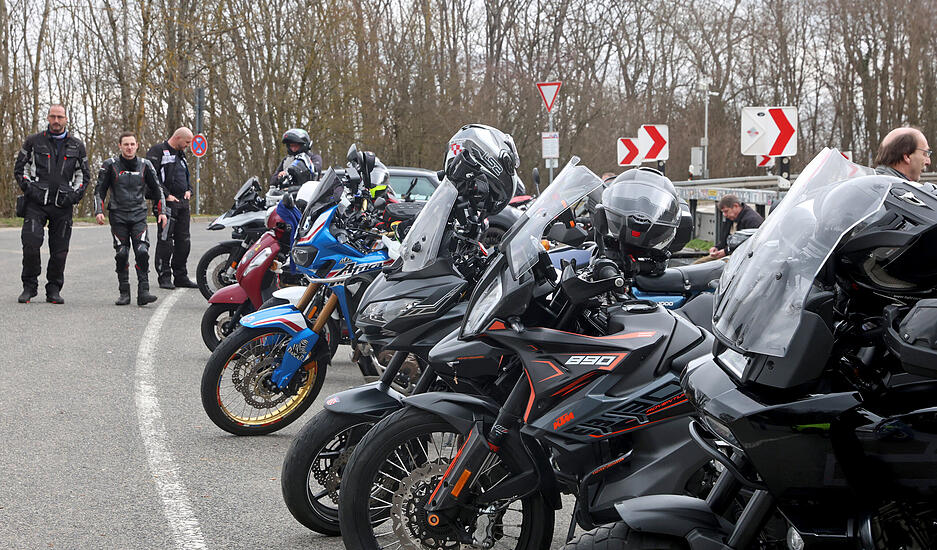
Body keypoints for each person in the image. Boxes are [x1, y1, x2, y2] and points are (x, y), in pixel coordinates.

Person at [14, 104, 91, 304]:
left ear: (66, 119)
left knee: (60, 251)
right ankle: (29, 287)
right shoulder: (33, 141)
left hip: (63, 205)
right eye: (52, 117)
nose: (56, 121)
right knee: (30, 244)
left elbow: (84, 175)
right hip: (35, 204)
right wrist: (31, 190)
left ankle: (54, 289)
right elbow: (20, 168)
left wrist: (73, 196)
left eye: (60, 117)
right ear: (47, 118)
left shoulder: (77, 145)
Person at [94, 132, 168, 306]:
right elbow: (99, 190)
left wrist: (162, 211)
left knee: (142, 251)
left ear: (137, 146)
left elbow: (158, 190)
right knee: (122, 253)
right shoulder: (110, 165)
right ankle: (124, 292)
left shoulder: (145, 165)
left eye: (132, 144)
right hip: (118, 215)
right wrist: (99, 210)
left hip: (139, 215)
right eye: (125, 144)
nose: (129, 147)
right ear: (120, 146)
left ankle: (144, 291)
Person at [146, 127, 197, 289]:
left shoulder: (181, 155)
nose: (189, 145)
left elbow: (185, 175)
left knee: (184, 241)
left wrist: (189, 190)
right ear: (177, 138)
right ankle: (164, 277)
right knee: (166, 240)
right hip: (166, 204)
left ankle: (181, 276)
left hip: (183, 203)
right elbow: (151, 177)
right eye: (187, 142)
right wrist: (165, 195)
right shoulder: (158, 151)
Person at [701, 194, 764, 261]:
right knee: (699, 263)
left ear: (735, 206)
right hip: (729, 254)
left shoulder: (752, 220)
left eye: (726, 211)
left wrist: (726, 252)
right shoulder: (731, 217)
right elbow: (724, 240)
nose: (725, 215)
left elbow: (749, 245)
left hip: (744, 258)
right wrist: (717, 247)